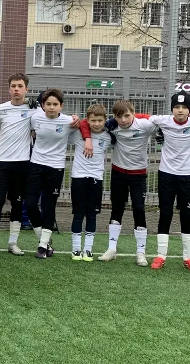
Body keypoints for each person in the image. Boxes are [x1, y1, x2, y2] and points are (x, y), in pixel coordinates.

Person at [0, 73, 37, 258]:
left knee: (17, 203)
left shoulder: (33, 109)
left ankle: (13, 243)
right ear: (9, 89)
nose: (16, 89)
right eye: (13, 86)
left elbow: (53, 115)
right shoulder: (1, 109)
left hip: (22, 163)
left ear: (26, 89)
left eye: (20, 86)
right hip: (1, 163)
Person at [93, 100, 155, 266]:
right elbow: (88, 123)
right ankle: (111, 249)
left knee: (139, 209)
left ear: (133, 113)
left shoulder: (144, 125)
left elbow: (165, 122)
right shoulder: (111, 126)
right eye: (119, 116)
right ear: (114, 116)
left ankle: (141, 252)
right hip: (118, 173)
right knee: (116, 210)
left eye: (127, 115)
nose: (123, 120)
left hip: (138, 175)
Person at [148, 92, 190, 271]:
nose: (180, 110)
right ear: (172, 109)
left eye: (185, 107)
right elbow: (142, 117)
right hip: (166, 174)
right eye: (177, 107)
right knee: (165, 213)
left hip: (187, 176)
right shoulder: (163, 121)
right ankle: (160, 255)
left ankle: (188, 258)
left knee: (186, 215)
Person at [28, 88, 80, 259]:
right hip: (36, 165)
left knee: (49, 206)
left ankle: (42, 247)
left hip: (55, 169)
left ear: (61, 106)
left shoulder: (68, 121)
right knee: (30, 204)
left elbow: (85, 127)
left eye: (55, 104)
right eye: (48, 104)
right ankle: (45, 241)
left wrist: (80, 124)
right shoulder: (35, 118)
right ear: (42, 105)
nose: (51, 107)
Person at [69, 104, 111, 261]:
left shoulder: (108, 137)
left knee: (92, 215)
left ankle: (88, 249)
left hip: (96, 179)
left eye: (100, 120)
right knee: (78, 214)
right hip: (78, 178)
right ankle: (76, 249)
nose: (97, 124)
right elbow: (70, 127)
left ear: (105, 120)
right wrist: (74, 120)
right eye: (93, 120)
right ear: (87, 120)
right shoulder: (78, 133)